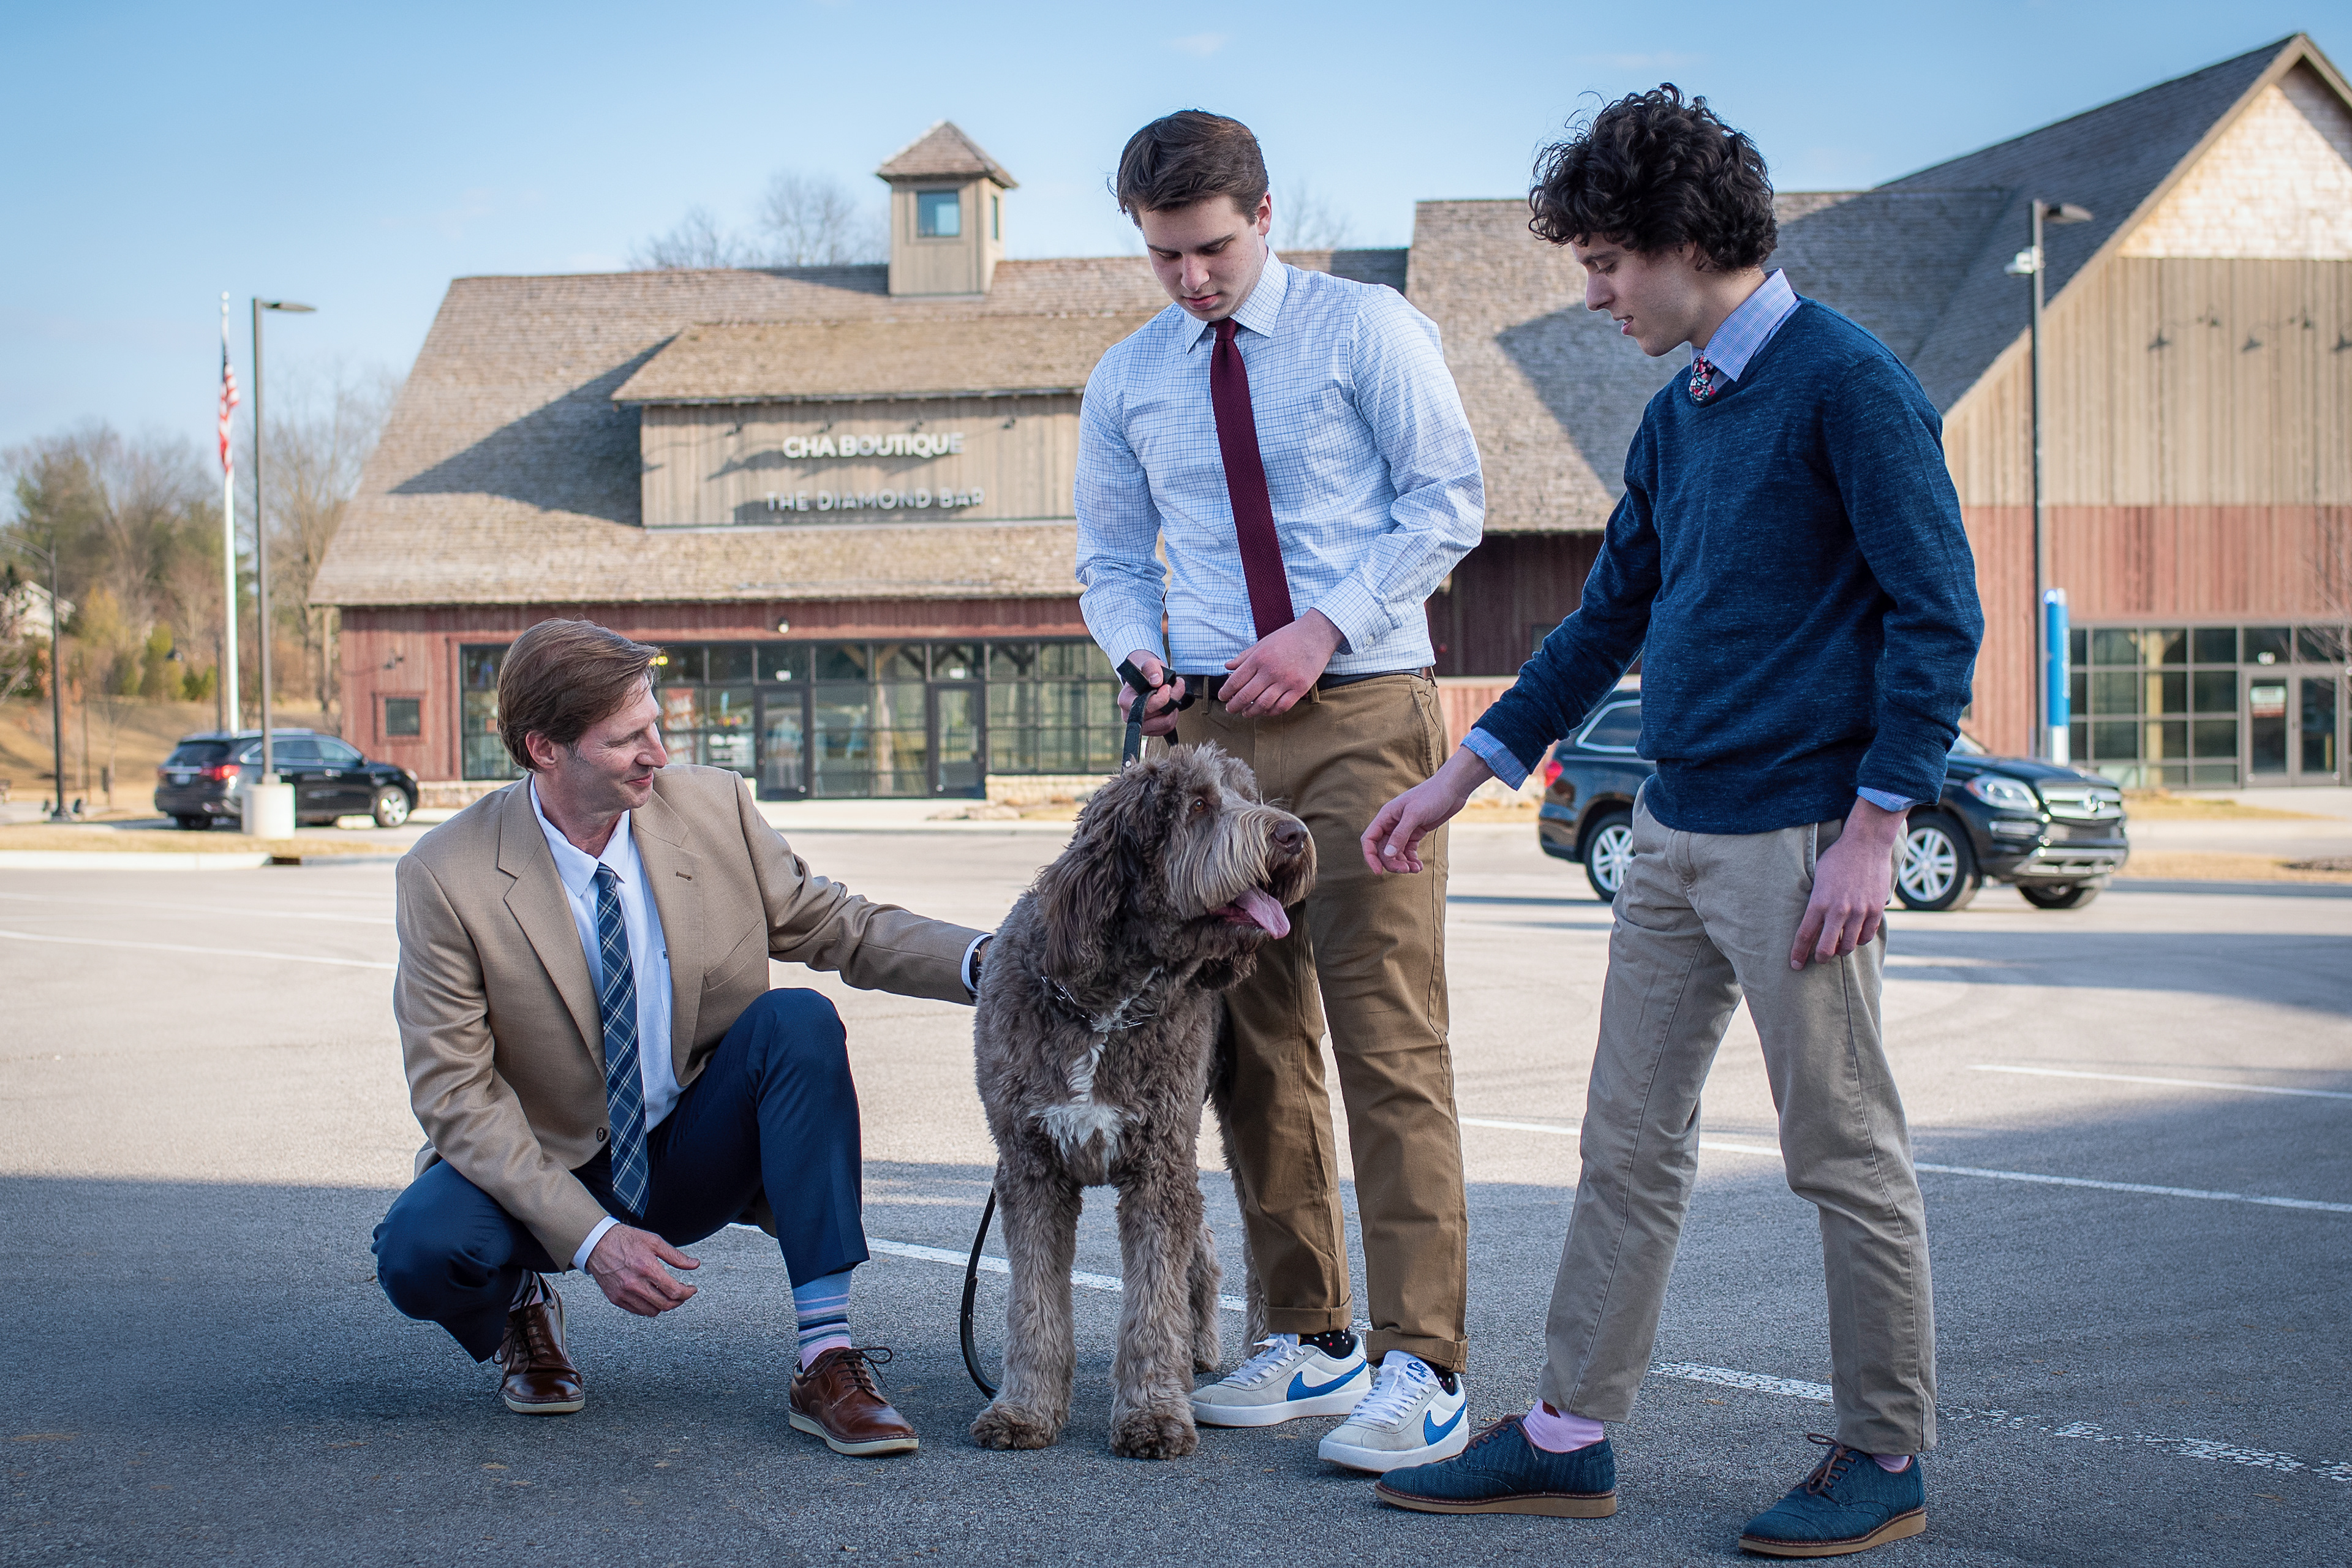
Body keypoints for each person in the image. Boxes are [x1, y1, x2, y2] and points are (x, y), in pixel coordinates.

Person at [1359, 87, 1983, 1556]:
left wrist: (1876, 826)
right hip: (1674, 833)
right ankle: (1570, 1435)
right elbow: (1606, 618)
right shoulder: (1681, 414)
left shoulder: (1848, 383)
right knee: (1625, 1144)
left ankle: (1884, 1449)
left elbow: (1935, 614)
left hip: (1799, 843)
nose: (1593, 295)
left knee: (1843, 1149)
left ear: (1687, 241)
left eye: (1604, 265)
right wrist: (1470, 766)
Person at [1075, 109, 1487, 1474]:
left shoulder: (1366, 330)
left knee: (1387, 1037)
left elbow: (1448, 499)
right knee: (1246, 1046)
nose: (1189, 278)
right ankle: (1307, 1330)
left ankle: (1422, 1362)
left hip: (1362, 707)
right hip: (1203, 740)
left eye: (1207, 248)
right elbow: (1111, 556)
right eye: (1161, 257)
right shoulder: (1128, 378)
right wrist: (1136, 647)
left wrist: (1323, 623)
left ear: (1264, 212)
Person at [371, 618, 991, 1458]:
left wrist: (993, 963)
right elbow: (455, 1096)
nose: (658, 754)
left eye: (657, 726)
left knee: (796, 1022)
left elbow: (834, 924)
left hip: (693, 1148)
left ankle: (826, 1355)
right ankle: (519, 1308)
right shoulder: (447, 874)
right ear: (544, 749)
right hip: (550, 1162)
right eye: (629, 738)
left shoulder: (712, 806)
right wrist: (592, 1241)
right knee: (417, 1250)